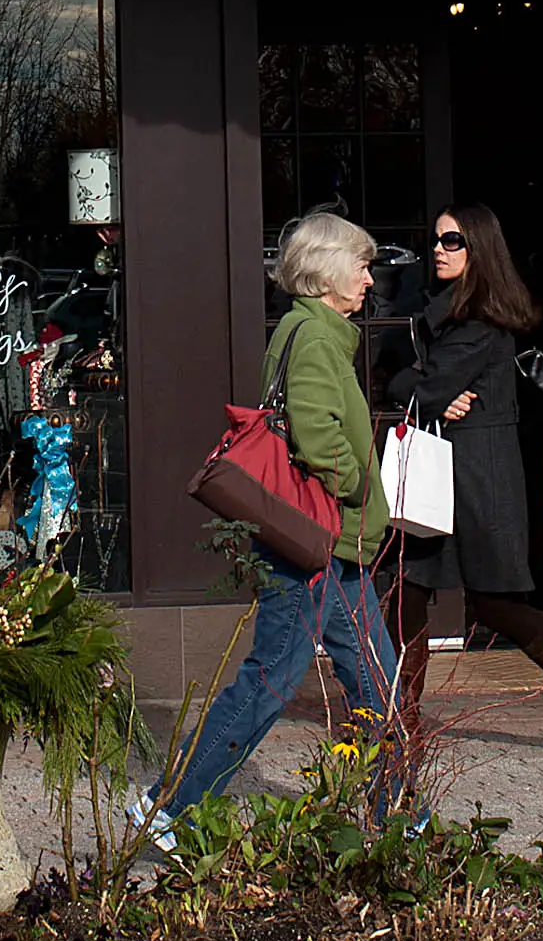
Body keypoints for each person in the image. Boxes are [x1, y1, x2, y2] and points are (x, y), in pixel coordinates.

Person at [158, 211, 400, 818]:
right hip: (315, 545)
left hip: (330, 549)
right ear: (327, 272)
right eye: (363, 266)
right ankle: (175, 808)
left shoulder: (306, 330)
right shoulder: (316, 337)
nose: (370, 281)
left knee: (375, 679)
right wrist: (359, 487)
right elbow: (318, 439)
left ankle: (398, 811)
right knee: (268, 683)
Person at [387, 203, 543, 761]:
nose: (438, 249)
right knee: (405, 590)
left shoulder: (480, 323)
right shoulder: (450, 315)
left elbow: (417, 382)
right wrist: (423, 387)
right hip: (447, 475)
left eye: (451, 241)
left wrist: (421, 386)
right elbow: (412, 379)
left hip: (480, 481)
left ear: (479, 250)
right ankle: (400, 727)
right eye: (436, 240)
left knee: (497, 605)